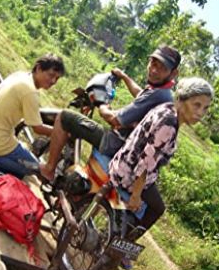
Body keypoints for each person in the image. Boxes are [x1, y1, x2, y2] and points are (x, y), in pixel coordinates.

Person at [40, 45, 181, 226]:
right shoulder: (164, 94)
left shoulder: (159, 94)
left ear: (173, 73)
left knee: (65, 117)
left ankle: (49, 170)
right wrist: (124, 77)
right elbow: (141, 95)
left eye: (162, 68)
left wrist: (101, 102)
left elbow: (115, 120)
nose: (154, 70)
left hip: (116, 143)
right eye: (153, 63)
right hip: (132, 153)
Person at [109, 76, 214, 268]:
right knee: (158, 208)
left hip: (124, 162)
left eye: (205, 108)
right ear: (181, 100)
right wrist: (136, 195)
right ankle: (123, 247)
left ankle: (121, 236)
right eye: (196, 105)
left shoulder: (167, 109)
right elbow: (146, 164)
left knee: (152, 196)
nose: (201, 113)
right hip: (129, 173)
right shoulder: (169, 126)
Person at [0, 53, 65, 179]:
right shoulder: (30, 92)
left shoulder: (20, 75)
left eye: (57, 78)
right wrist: (59, 134)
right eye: (51, 75)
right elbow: (37, 128)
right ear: (39, 68)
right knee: (31, 170)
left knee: (28, 159)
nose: (53, 81)